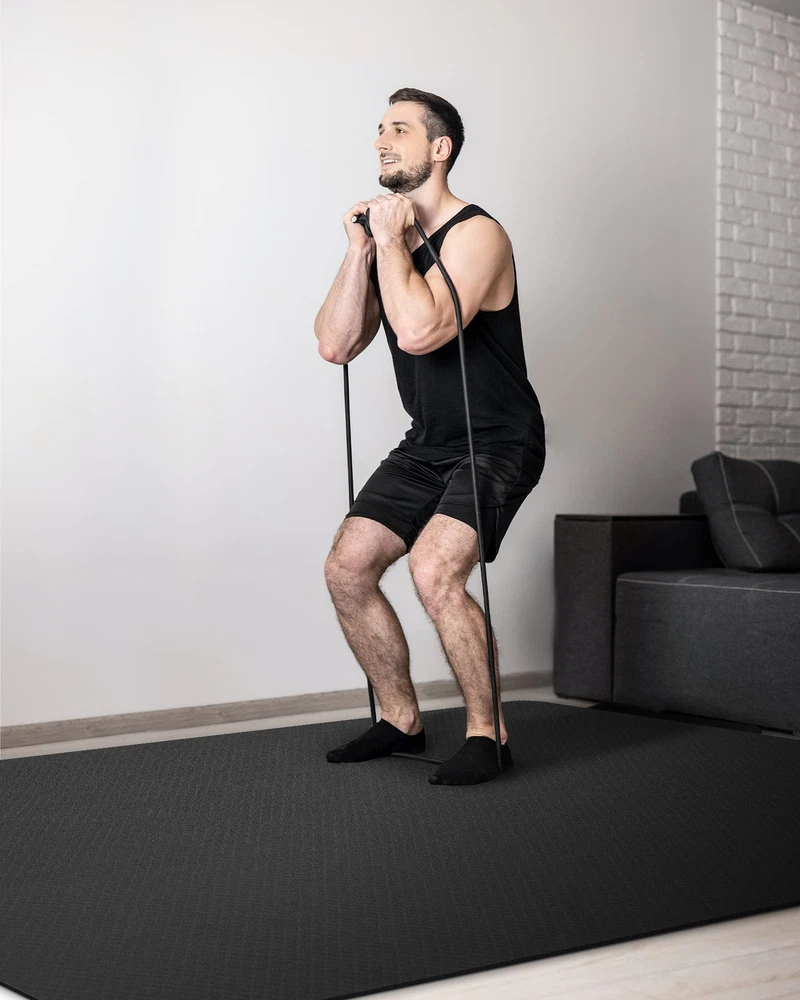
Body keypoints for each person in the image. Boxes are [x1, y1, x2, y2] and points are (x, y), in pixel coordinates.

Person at [313, 88, 545, 785]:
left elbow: (420, 332)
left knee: (435, 570)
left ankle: (488, 734)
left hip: (498, 440)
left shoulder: (478, 234)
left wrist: (391, 243)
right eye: (379, 130)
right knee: (347, 568)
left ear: (439, 149)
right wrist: (362, 250)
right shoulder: (389, 245)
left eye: (400, 130)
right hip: (429, 442)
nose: (381, 141)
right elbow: (336, 344)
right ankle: (400, 720)